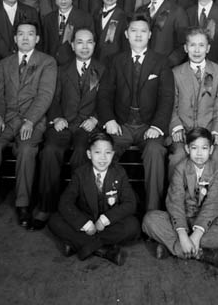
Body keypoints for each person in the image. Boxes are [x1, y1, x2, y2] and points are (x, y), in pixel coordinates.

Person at [0, 22, 57, 228]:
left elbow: (45, 96)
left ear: (37, 39)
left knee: (27, 149)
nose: (25, 38)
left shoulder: (47, 62)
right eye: (20, 34)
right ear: (15, 38)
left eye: (30, 34)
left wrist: (30, 120)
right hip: (7, 119)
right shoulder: (5, 63)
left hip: (33, 120)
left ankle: (23, 204)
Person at [97, 14, 174, 211]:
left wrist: (157, 126)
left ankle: (152, 211)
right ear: (126, 34)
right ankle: (108, 207)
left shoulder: (161, 62)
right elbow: (104, 94)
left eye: (143, 31)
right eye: (133, 31)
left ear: (150, 35)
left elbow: (166, 98)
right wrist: (109, 120)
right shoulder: (115, 61)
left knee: (156, 152)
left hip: (148, 126)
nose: (138, 35)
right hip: (122, 124)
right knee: (104, 152)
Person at [143, 128, 218, 270]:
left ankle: (176, 249)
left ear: (211, 149)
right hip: (180, 220)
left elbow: (213, 203)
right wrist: (182, 234)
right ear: (187, 149)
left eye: (204, 148)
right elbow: (175, 203)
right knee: (149, 220)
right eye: (194, 148)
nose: (199, 153)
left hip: (204, 223)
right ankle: (200, 253)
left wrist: (196, 235)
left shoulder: (217, 170)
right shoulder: (180, 169)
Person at [37, 28, 105, 222]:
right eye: (80, 42)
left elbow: (107, 99)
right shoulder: (61, 69)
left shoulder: (103, 69)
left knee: (82, 152)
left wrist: (96, 118)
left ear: (94, 45)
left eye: (89, 42)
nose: (84, 47)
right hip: (64, 123)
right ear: (73, 45)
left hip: (88, 126)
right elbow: (53, 98)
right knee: (50, 150)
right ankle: (46, 206)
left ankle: (78, 207)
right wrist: (57, 118)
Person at [47, 132, 140, 265]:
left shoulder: (119, 172)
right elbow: (65, 202)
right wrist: (84, 224)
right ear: (89, 154)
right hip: (86, 219)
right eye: (97, 152)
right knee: (54, 220)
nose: (103, 158)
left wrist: (104, 220)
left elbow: (130, 203)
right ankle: (103, 250)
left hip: (109, 223)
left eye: (107, 153)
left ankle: (78, 244)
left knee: (133, 225)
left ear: (113, 154)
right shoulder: (80, 173)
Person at [168, 28, 218, 174]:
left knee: (217, 157)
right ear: (185, 48)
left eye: (201, 45)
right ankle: (177, 195)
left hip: (208, 132)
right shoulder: (175, 73)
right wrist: (176, 127)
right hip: (183, 132)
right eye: (192, 45)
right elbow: (170, 105)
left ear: (208, 48)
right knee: (177, 157)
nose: (196, 50)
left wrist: (217, 132)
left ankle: (211, 196)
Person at [137, 0, 187, 67]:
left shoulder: (177, 11)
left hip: (166, 68)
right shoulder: (140, 11)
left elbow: (183, 45)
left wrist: (168, 64)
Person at [41, 0, 93, 66]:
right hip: (52, 67)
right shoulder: (48, 19)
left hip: (73, 67)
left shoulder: (85, 18)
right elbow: (45, 47)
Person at [93, 0, 129, 67]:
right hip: (95, 64)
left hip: (114, 65)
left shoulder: (123, 17)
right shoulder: (95, 14)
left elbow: (125, 47)